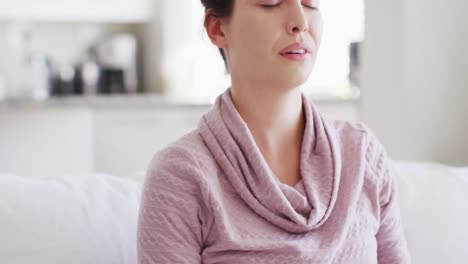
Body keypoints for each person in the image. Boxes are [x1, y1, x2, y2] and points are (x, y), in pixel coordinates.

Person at [137, 0, 411, 263]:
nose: (300, 22)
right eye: (271, 3)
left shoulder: (363, 155)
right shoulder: (180, 176)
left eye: (310, 3)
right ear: (218, 29)